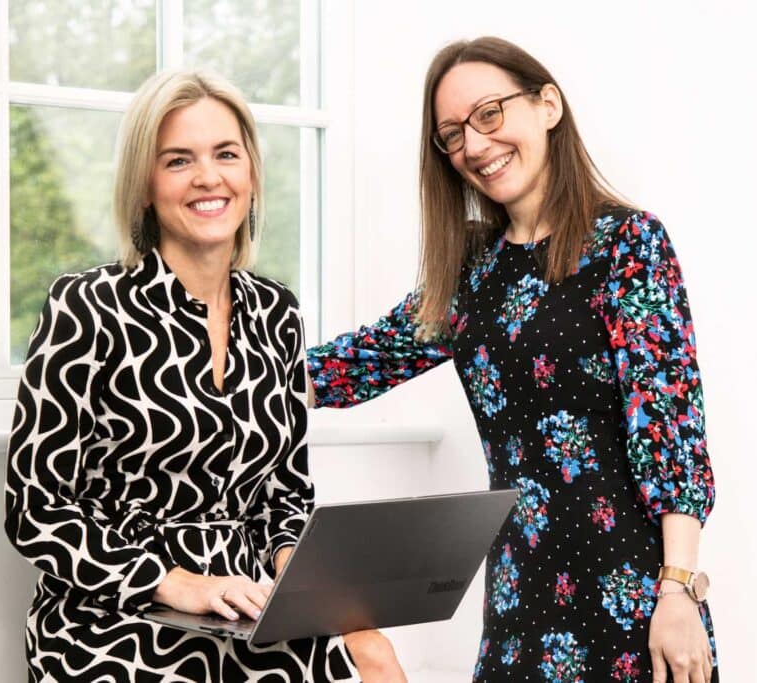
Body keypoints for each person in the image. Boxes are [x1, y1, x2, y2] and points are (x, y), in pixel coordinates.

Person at [307, 37, 718, 682]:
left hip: (636, 603)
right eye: (451, 134)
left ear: (547, 104)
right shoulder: (470, 272)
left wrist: (678, 590)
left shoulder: (628, 243)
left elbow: (671, 428)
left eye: (489, 114)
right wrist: (217, 359)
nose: (473, 145)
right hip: (518, 609)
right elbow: (353, 365)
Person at [4, 69, 405, 683]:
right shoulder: (86, 306)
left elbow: (287, 499)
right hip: (118, 615)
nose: (207, 177)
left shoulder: (278, 312)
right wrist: (172, 582)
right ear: (144, 186)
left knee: (375, 659)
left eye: (225, 154)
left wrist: (323, 603)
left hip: (250, 608)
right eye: (177, 161)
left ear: (250, 175)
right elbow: (36, 510)